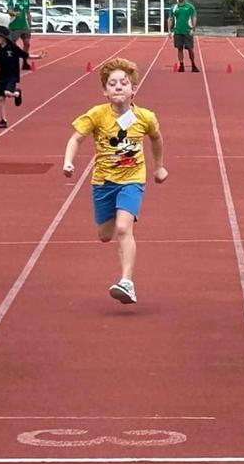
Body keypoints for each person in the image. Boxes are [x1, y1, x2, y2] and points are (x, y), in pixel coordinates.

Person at [62, 58, 169, 303]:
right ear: (105, 91)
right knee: (105, 235)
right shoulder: (97, 114)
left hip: (132, 179)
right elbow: (76, 138)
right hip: (103, 182)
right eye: (113, 83)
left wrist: (159, 167)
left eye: (124, 83)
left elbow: (156, 139)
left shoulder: (145, 117)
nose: (118, 87)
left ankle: (127, 282)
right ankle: (122, 224)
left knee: (124, 228)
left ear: (134, 89)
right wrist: (68, 161)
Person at [0, 25, 45, 128]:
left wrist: (38, 56)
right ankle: (3, 120)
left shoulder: (12, 47)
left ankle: (17, 93)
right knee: (1, 98)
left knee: (7, 92)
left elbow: (25, 55)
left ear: (3, 37)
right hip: (1, 75)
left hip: (12, 75)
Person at [167, 0, 198, 72]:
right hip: (177, 31)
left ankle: (193, 64)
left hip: (188, 31)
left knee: (190, 49)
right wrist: (169, 30)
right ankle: (181, 65)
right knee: (179, 48)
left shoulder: (190, 7)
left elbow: (194, 17)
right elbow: (170, 19)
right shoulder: (174, 7)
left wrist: (193, 29)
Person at [6, 0, 34, 70]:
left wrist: (30, 24)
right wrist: (14, 13)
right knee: (12, 44)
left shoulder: (26, 0)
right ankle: (12, 61)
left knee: (27, 43)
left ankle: (25, 61)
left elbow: (28, 12)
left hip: (24, 25)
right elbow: (9, 11)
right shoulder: (12, 0)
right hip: (15, 26)